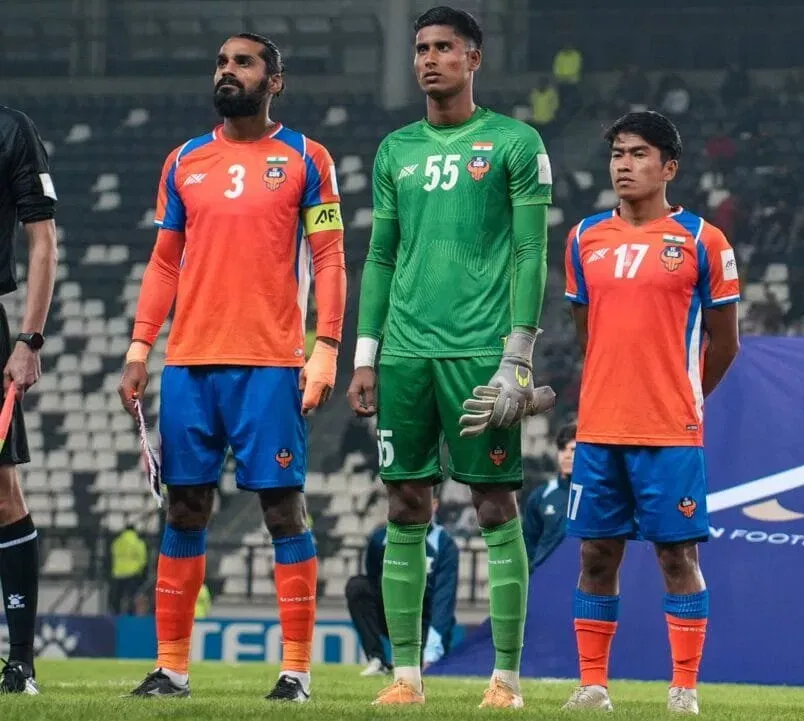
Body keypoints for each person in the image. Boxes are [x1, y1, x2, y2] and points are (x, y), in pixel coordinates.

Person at [116, 33, 346, 702]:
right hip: (189, 363)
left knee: (283, 508)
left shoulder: (307, 157)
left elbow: (330, 257)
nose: (227, 71)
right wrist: (139, 348)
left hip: (270, 364)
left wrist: (326, 346)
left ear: (275, 81)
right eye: (221, 62)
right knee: (185, 508)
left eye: (243, 62)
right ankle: (171, 669)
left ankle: (296, 673)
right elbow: (165, 263)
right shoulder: (184, 160)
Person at [345, 6, 554, 708]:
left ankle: (506, 679)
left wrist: (518, 355)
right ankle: (406, 677)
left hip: (480, 352)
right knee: (406, 502)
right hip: (405, 353)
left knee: (494, 504)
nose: (429, 59)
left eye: (443, 48)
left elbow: (530, 251)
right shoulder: (394, 150)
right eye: (421, 48)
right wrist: (365, 356)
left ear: (474, 58)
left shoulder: (515, 142)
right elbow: (380, 256)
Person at [559, 110, 739, 716]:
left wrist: (685, 395)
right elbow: (587, 333)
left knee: (676, 555)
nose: (624, 164)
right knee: (595, 555)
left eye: (638, 154)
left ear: (669, 167)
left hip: (670, 432)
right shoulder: (584, 238)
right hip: (599, 429)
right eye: (617, 154)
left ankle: (684, 689)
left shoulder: (703, 240)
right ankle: (593, 686)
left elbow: (726, 342)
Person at [0, 105, 58, 696]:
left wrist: (28, 339)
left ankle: (20, 663)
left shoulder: (12, 130)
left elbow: (43, 241)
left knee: (1, 493)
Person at [347, 497, 459, 676]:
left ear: (434, 505)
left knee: (417, 668)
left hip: (422, 622)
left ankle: (426, 656)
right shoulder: (380, 538)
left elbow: (444, 599)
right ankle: (377, 659)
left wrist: (431, 653)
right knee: (358, 586)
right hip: (392, 613)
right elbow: (373, 577)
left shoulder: (444, 544)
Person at [523, 423, 574, 570]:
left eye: (573, 450)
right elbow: (528, 541)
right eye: (562, 449)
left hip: (583, 577)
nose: (567, 455)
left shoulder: (594, 496)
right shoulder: (541, 496)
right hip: (545, 575)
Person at [109, 524, 149, 615]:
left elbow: (113, 555)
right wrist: (140, 570)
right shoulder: (138, 542)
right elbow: (143, 558)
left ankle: (116, 614)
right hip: (133, 573)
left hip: (118, 573)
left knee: (118, 596)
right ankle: (130, 614)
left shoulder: (117, 542)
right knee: (132, 596)